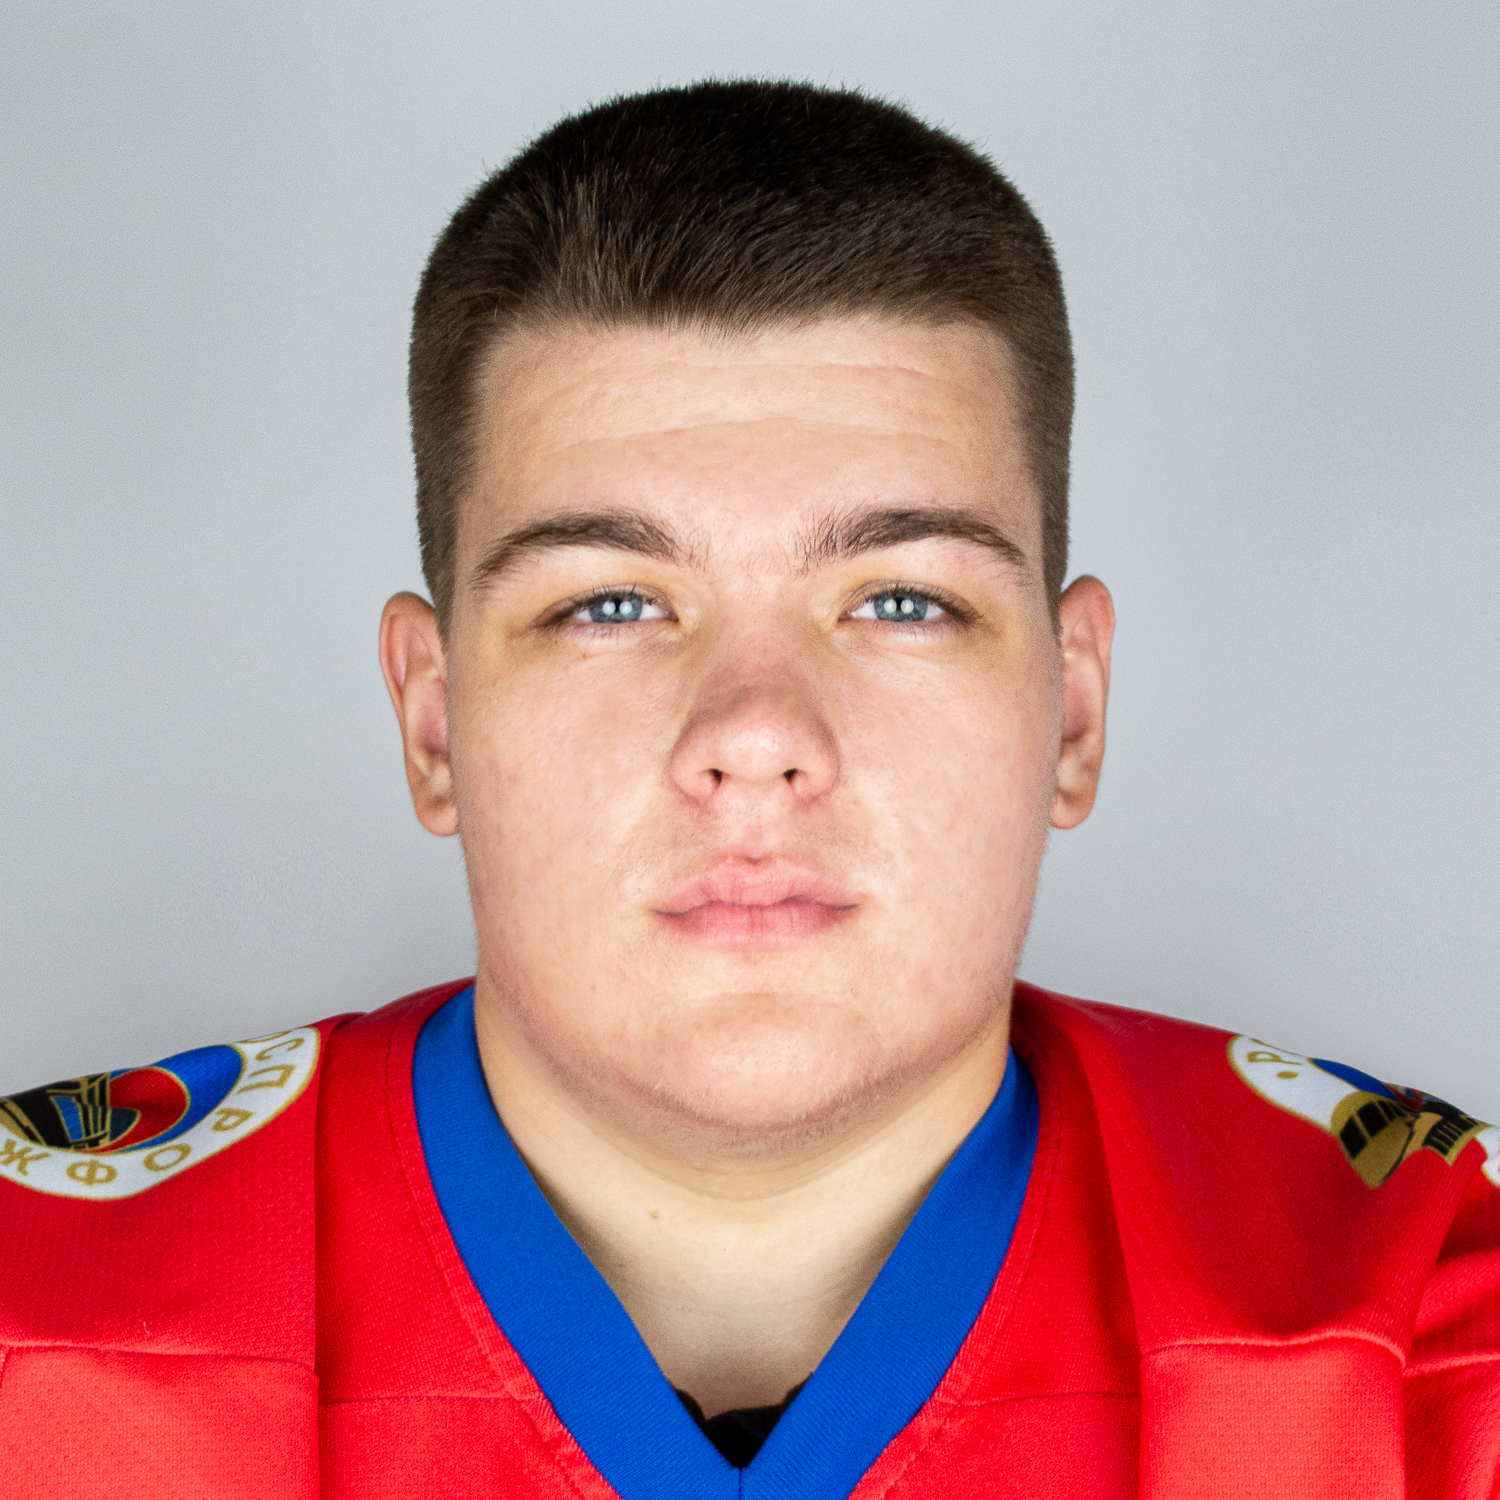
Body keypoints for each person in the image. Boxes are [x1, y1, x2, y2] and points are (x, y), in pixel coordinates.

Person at [1, 80, 1496, 1500]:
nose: (759, 734)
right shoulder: (33, 1321)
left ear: (1073, 710)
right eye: (609, 603)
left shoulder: (1430, 1322)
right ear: (435, 722)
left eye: (903, 601)